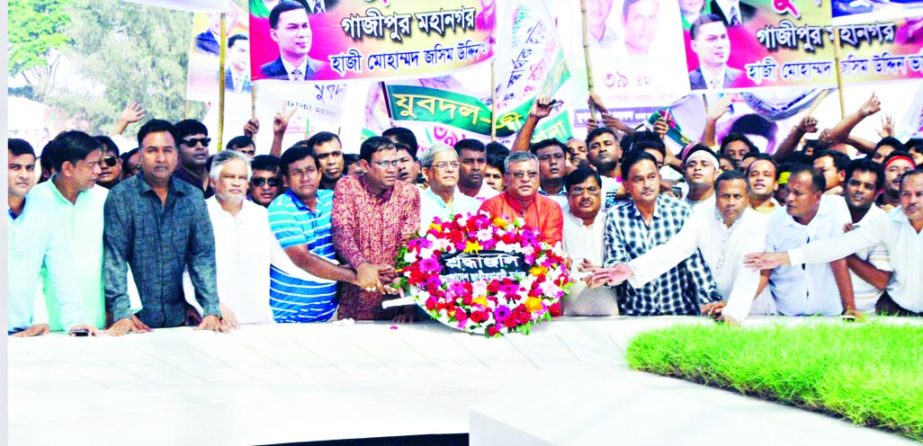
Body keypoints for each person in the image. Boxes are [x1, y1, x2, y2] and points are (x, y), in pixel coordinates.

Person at [103, 119, 225, 335]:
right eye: (152, 150)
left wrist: (211, 310)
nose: (160, 158)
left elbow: (202, 257)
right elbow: (115, 259)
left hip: (179, 320)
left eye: (167, 150)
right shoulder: (121, 196)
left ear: (176, 155)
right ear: (140, 155)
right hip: (134, 322)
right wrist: (122, 313)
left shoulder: (193, 198)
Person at [745, 169, 923, 316]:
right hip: (900, 309)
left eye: (919, 194)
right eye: (906, 194)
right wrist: (782, 258)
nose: (912, 200)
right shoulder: (887, 222)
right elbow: (836, 247)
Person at [599, 170, 769, 323]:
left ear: (747, 198)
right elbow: (675, 249)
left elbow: (750, 270)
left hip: (749, 307)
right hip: (709, 307)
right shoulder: (701, 215)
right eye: (725, 196)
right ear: (716, 196)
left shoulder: (758, 224)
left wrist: (733, 311)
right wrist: (631, 269)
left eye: (737, 196)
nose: (731, 202)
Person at [587, 150, 722, 315]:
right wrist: (607, 275)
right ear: (627, 185)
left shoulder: (680, 212)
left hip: (680, 313)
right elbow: (616, 260)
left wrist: (710, 302)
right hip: (634, 314)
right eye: (638, 179)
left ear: (659, 178)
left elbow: (695, 264)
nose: (647, 185)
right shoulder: (616, 216)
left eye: (651, 177)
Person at [8, 139, 98, 337]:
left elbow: (62, 269)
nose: (24, 175)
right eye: (14, 167)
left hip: (22, 332)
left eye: (30, 168)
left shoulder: (44, 210)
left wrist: (75, 322)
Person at [27, 131, 109, 331]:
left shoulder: (104, 199)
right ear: (67, 168)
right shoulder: (33, 201)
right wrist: (39, 317)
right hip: (43, 322)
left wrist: (124, 310)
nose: (99, 170)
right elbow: (29, 268)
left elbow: (118, 256)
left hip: (95, 318)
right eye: (91, 165)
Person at [269, 146, 362, 322]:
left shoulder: (333, 199)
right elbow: (302, 259)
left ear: (320, 173)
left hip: (329, 314)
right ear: (286, 180)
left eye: (310, 170)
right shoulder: (280, 208)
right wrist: (358, 277)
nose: (305, 178)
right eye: (297, 172)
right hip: (287, 316)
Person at [332, 137, 420, 321]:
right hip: (356, 293)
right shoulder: (348, 186)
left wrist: (406, 294)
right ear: (365, 165)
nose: (392, 169)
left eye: (395, 162)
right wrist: (361, 265)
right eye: (384, 163)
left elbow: (411, 244)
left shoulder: (408, 193)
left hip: (395, 296)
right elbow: (342, 232)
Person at [757, 165, 858, 317]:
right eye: (788, 191)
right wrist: (735, 305)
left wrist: (850, 307)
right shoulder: (774, 220)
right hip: (786, 312)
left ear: (817, 197)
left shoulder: (836, 207)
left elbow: (837, 257)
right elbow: (765, 270)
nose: (789, 198)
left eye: (798, 193)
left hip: (830, 311)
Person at [200, 151, 276, 326]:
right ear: (213, 181)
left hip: (258, 320)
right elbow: (186, 272)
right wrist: (212, 305)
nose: (236, 183)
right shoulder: (199, 214)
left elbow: (286, 262)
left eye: (242, 178)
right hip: (215, 321)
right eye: (229, 176)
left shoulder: (261, 216)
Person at [560, 167, 619, 316]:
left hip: (612, 315)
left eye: (592, 189)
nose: (586, 196)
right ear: (567, 196)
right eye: (578, 190)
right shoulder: (558, 222)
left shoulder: (612, 222)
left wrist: (603, 271)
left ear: (601, 193)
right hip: (565, 317)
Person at [838, 159, 892, 314]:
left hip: (863, 314)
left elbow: (881, 280)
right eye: (855, 183)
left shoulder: (883, 224)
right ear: (844, 184)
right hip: (821, 309)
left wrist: (842, 248)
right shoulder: (827, 212)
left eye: (868, 187)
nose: (859, 190)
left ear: (877, 193)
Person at [480, 151, 564, 245]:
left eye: (532, 174)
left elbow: (550, 248)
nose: (525, 179)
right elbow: (486, 247)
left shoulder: (551, 208)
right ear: (505, 179)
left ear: (539, 177)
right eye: (518, 174)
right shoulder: (491, 206)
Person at [418, 144, 481, 233]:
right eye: (442, 165)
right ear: (426, 172)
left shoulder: (473, 206)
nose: (450, 169)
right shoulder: (415, 206)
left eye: (454, 164)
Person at [260, 1, 324, 80]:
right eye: (292, 27)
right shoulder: (262, 73)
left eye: (305, 26)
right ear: (275, 35)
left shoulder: (325, 70)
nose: (302, 34)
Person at [688, 14, 741, 90]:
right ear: (695, 46)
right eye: (711, 39)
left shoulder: (742, 78)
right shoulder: (686, 82)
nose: (720, 44)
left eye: (723, 37)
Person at [173, 119, 214, 197]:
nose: (200, 147)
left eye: (204, 142)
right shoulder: (172, 185)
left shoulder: (218, 176)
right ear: (177, 149)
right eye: (192, 143)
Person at [531, 139, 569, 207]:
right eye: (545, 158)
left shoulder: (575, 190)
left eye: (558, 156)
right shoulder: (528, 193)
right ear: (534, 164)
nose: (553, 162)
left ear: (565, 161)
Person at [682, 144, 719, 212]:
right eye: (691, 165)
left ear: (716, 174)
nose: (697, 168)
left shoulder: (721, 207)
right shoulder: (675, 200)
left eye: (704, 165)